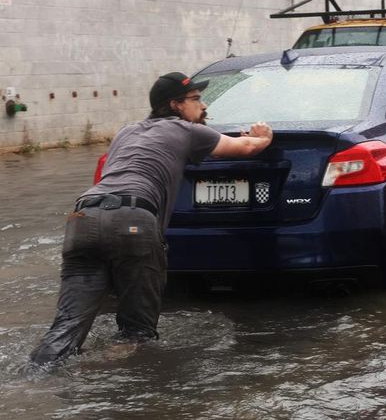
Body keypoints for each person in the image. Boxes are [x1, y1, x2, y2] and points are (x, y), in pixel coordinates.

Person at [28, 72, 273, 366]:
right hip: (133, 221)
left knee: (66, 326)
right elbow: (246, 148)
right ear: (175, 105)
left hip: (83, 217)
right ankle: (115, 379)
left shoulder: (126, 131)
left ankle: (39, 374)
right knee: (137, 331)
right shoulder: (188, 130)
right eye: (195, 99)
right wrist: (262, 136)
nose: (203, 105)